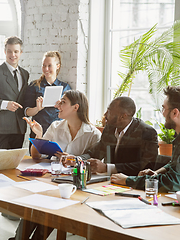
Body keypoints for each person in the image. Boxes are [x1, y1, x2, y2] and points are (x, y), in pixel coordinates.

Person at [12, 90, 101, 240]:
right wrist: (38, 136)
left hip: (73, 187)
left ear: (75, 107)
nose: (57, 105)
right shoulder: (55, 126)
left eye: (63, 102)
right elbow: (36, 155)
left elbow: (96, 164)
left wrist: (75, 160)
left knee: (48, 207)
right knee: (35, 202)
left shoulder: (93, 134)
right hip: (51, 180)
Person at [71, 96, 158, 176]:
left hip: (132, 183)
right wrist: (77, 159)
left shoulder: (147, 132)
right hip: (110, 182)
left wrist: (106, 167)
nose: (105, 115)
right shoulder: (110, 128)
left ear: (123, 116)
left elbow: (146, 165)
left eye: (109, 111)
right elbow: (97, 151)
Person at [24, 51, 71, 141]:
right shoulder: (34, 86)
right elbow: (27, 112)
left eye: (49, 65)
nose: (46, 69)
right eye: (44, 65)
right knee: (36, 155)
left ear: (58, 66)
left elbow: (70, 112)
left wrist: (61, 106)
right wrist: (37, 108)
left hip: (59, 133)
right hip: (38, 132)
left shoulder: (65, 87)